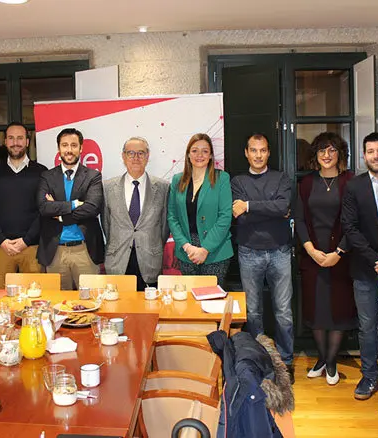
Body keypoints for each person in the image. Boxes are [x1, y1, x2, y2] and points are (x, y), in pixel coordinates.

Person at [341, 132, 378, 400]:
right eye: (370, 151)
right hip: (367, 267)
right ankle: (369, 376)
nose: (376, 155)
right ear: (363, 155)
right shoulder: (354, 186)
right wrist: (377, 260)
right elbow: (350, 228)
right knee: (367, 326)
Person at [231, 133, 294, 374]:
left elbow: (283, 206)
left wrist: (249, 206)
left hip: (280, 251)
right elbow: (240, 217)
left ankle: (285, 362)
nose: (258, 155)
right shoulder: (237, 181)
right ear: (246, 153)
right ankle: (259, 362)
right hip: (249, 252)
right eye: (254, 150)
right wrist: (272, 209)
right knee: (253, 312)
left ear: (269, 153)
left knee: (284, 312)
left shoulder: (281, 178)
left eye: (263, 150)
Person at [295, 132, 355, 386]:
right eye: (321, 150)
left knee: (339, 309)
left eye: (332, 150)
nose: (327, 155)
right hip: (313, 256)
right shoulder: (307, 183)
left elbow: (356, 221)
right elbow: (298, 218)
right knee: (316, 308)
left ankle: (330, 361)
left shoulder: (350, 182)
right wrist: (309, 249)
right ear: (315, 156)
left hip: (341, 256)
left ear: (340, 153)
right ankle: (322, 357)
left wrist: (338, 253)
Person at [37, 128, 105, 290]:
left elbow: (92, 208)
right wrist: (74, 204)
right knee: (58, 306)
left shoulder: (92, 176)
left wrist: (60, 215)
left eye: (74, 145)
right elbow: (44, 207)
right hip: (55, 252)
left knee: (91, 303)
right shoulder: (47, 176)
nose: (69, 150)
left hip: (85, 251)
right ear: (58, 149)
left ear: (81, 148)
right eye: (65, 145)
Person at [0, 122, 46, 290]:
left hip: (32, 247)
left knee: (36, 300)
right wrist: (2, 240)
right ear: (5, 141)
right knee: (2, 301)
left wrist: (26, 240)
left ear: (27, 141)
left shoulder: (41, 172)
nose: (15, 142)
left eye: (19, 138)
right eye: (11, 138)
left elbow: (44, 210)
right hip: (1, 248)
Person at [102, 137, 169, 291]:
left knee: (150, 309)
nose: (136, 158)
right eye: (131, 153)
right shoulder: (108, 187)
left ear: (148, 156)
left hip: (149, 259)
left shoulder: (163, 187)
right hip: (118, 259)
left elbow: (164, 227)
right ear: (123, 156)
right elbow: (106, 224)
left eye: (141, 153)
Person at [167, 134, 233, 285]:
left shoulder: (221, 178)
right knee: (190, 301)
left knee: (212, 301)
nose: (199, 155)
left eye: (205, 151)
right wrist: (186, 246)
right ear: (188, 154)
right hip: (187, 251)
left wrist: (205, 249)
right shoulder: (178, 180)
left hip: (215, 251)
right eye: (195, 150)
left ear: (210, 156)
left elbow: (225, 217)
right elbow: (172, 216)